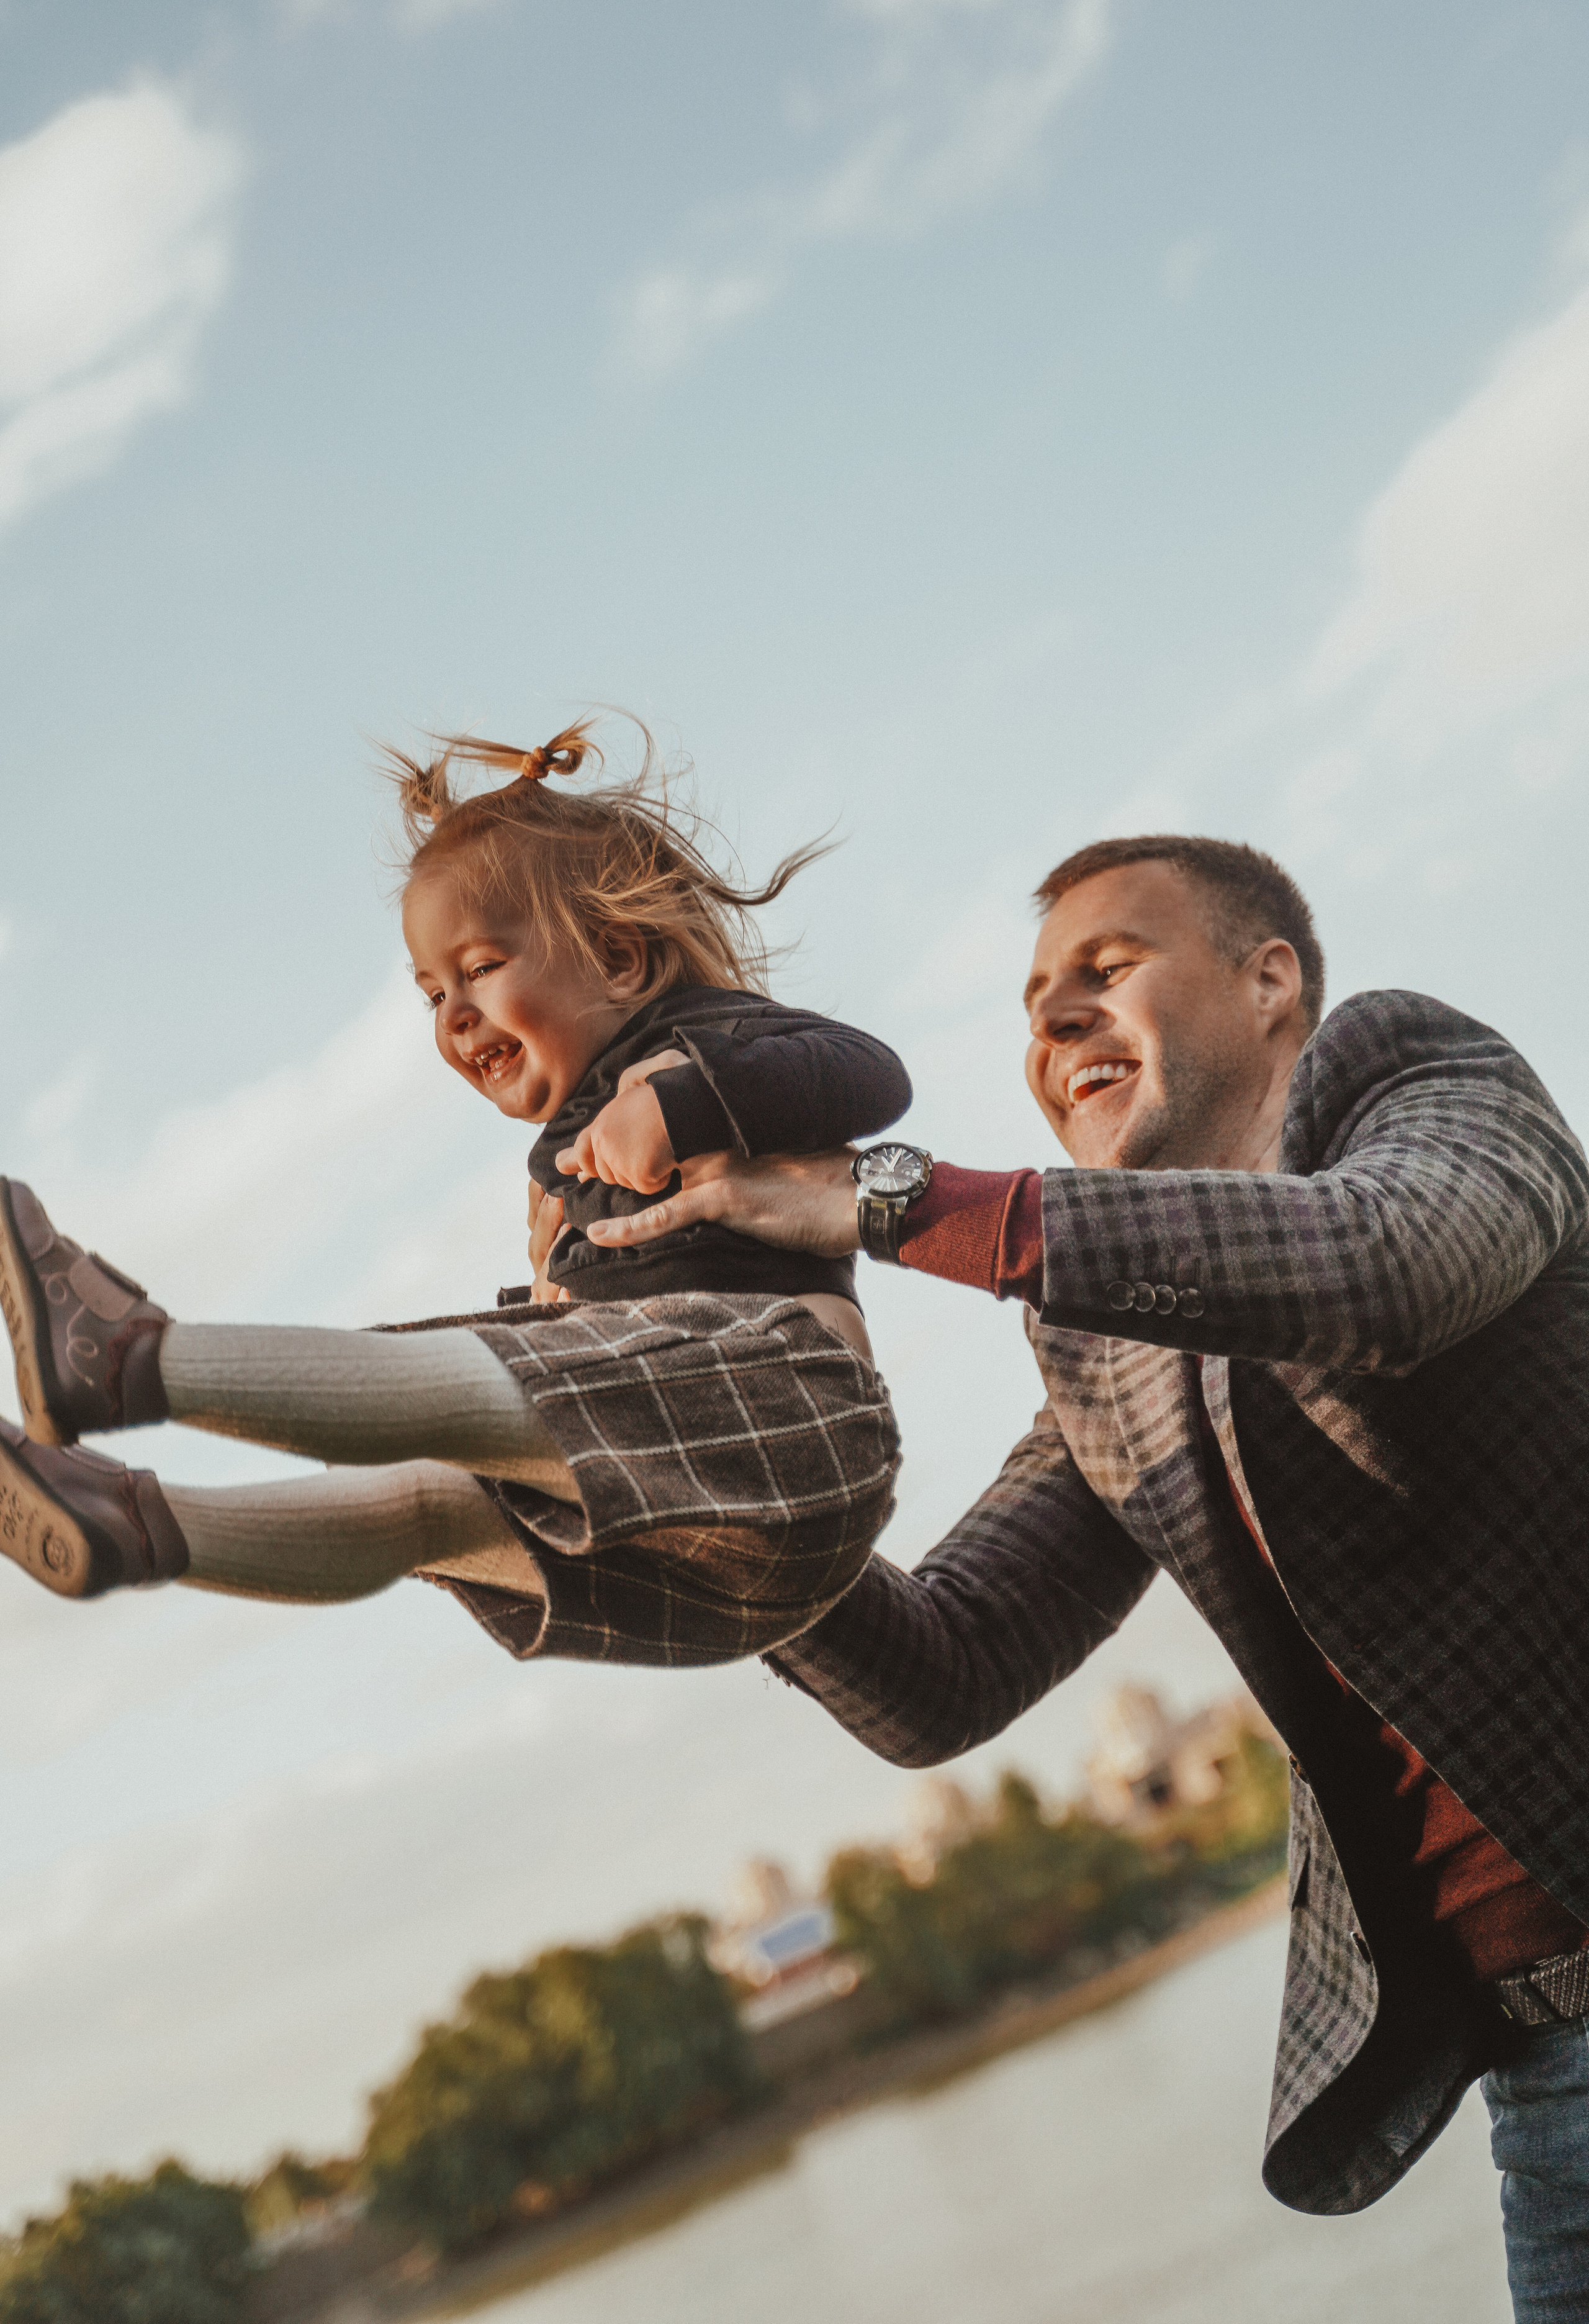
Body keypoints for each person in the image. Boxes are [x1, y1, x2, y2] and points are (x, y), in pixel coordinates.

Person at [577, 834, 1589, 2320]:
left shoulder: (1419, 1074)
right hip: (1542, 2083)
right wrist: (691, 1487)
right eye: (1033, 1005)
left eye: (1103, 972)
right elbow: (946, 1666)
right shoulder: (1103, 1340)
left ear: (1269, 984)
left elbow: (1382, 1266)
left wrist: (885, 1198)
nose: (1050, 1028)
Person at [0, 725, 910, 1666]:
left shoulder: (694, 1035)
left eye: (478, 969)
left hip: (803, 1428)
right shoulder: (560, 1165)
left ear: (620, 961)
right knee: (427, 1501)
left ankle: (125, 1360)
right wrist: (563, 1302)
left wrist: (683, 1101)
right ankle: (136, 1525)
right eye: (432, 994)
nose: (455, 1015)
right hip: (694, 1565)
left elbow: (873, 1075)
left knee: (465, 1380)